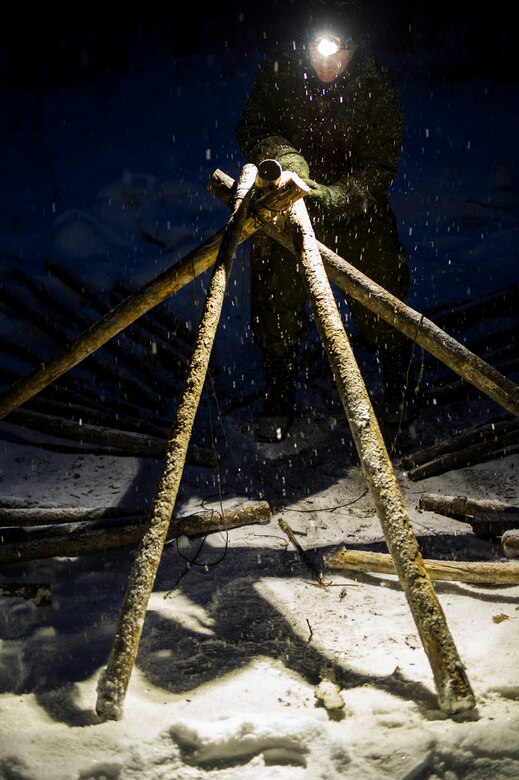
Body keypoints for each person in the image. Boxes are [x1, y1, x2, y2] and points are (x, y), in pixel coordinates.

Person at [236, 1, 415, 442]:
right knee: (275, 293)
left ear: (356, 47)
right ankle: (280, 390)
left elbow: (379, 168)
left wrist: (337, 197)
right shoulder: (279, 73)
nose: (327, 64)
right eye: (318, 51)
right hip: (287, 204)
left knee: (382, 288)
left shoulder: (377, 86)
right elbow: (254, 129)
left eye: (339, 53)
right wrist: (286, 158)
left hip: (356, 208)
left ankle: (397, 385)